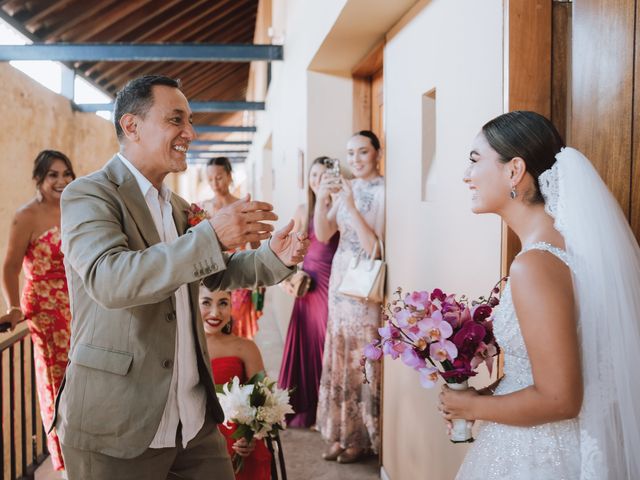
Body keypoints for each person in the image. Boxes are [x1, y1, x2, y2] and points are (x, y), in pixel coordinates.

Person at [55, 75, 308, 480]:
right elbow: (110, 280)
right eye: (176, 120)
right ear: (131, 126)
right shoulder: (89, 195)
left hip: (193, 423)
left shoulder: (177, 206)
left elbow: (216, 274)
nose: (189, 132)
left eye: (189, 121)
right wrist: (210, 236)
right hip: (118, 424)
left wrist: (274, 258)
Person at [440, 111, 640, 479]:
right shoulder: (565, 250)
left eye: (474, 160)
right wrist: (484, 396)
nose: (465, 176)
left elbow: (560, 399)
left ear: (514, 170)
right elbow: (547, 368)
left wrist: (473, 408)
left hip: (539, 453)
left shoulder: (534, 265)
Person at [0, 150, 75, 475]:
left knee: (85, 376)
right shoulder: (26, 216)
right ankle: (65, 459)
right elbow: (10, 267)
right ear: (39, 180)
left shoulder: (77, 208)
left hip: (79, 303)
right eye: (52, 175)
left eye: (66, 174)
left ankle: (86, 446)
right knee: (57, 383)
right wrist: (13, 307)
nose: (60, 181)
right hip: (45, 310)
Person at [315, 131, 385, 463]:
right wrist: (321, 198)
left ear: (377, 154)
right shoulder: (349, 187)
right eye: (350, 153)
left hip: (364, 288)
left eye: (362, 152)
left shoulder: (383, 191)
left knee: (359, 362)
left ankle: (361, 438)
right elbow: (323, 233)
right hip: (340, 284)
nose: (355, 159)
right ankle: (341, 434)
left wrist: (352, 207)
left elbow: (374, 248)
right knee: (339, 360)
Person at [278, 156, 339, 428]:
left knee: (324, 342)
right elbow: (291, 250)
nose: (317, 179)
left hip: (330, 280)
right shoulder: (304, 208)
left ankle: (324, 411)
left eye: (323, 174)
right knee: (305, 341)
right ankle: (304, 408)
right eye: (313, 174)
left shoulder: (337, 206)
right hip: (308, 281)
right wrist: (287, 278)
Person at [199, 285, 271, 480]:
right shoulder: (181, 347)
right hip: (194, 437)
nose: (215, 312)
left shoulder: (245, 347)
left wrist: (250, 435)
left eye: (223, 303)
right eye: (206, 303)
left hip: (235, 439)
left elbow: (263, 398)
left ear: (232, 306)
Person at [200, 157, 263, 339]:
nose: (214, 183)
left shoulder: (242, 206)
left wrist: (258, 275)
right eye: (210, 179)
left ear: (229, 176)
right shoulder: (202, 208)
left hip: (239, 273)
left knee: (238, 320)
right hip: (212, 273)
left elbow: (256, 245)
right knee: (214, 322)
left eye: (219, 177)